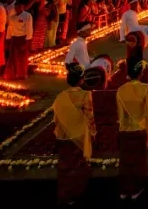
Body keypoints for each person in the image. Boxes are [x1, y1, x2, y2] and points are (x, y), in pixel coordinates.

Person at [54, 64, 95, 206]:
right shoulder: (85, 95)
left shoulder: (60, 97)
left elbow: (57, 119)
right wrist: (93, 134)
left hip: (63, 136)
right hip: (77, 137)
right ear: (81, 80)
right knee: (78, 165)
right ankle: (76, 193)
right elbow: (90, 117)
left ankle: (64, 194)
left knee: (65, 166)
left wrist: (58, 136)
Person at [116, 59, 148, 200]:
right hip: (139, 130)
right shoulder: (145, 88)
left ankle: (124, 190)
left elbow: (120, 115)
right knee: (138, 161)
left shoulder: (121, 90)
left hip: (125, 131)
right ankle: (136, 188)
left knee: (125, 162)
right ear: (140, 73)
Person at [4, 0, 33, 80]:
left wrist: (27, 41)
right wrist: (8, 39)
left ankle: (22, 74)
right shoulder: (12, 17)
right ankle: (13, 73)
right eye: (16, 7)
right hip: (13, 39)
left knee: (22, 58)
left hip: (22, 38)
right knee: (12, 57)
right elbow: (9, 29)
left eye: (19, 6)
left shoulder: (27, 16)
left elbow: (29, 29)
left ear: (23, 7)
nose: (17, 8)